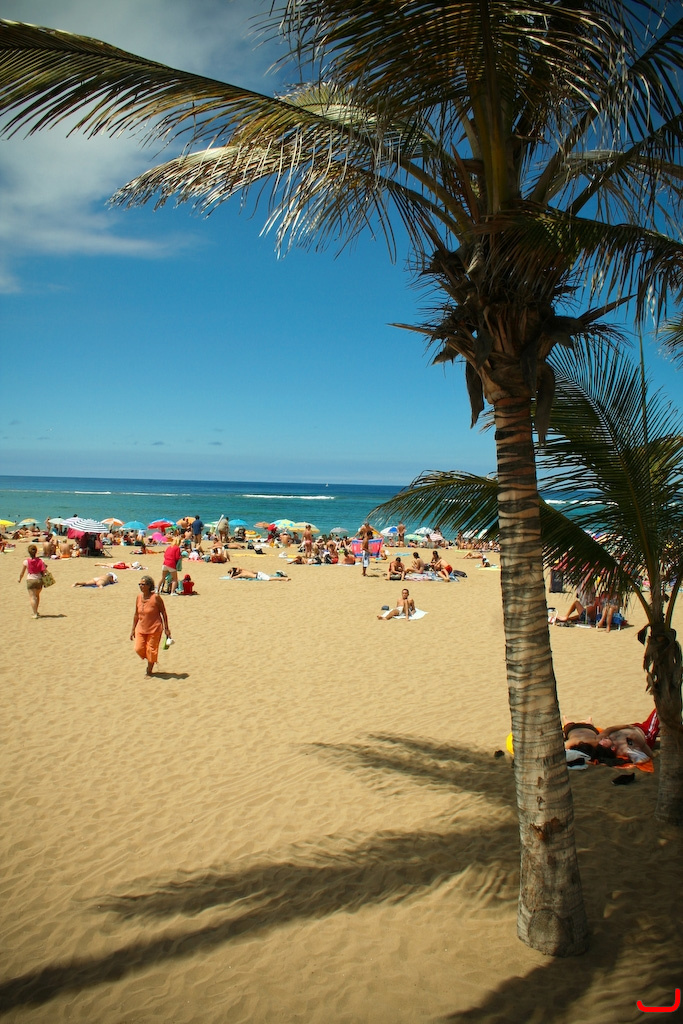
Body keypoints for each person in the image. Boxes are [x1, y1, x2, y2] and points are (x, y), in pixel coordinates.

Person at [130, 575, 171, 677]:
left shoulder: (156, 598)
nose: (141, 586)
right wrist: (133, 629)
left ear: (149, 586)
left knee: (151, 650)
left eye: (143, 584)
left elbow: (164, 613)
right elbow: (136, 614)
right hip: (141, 628)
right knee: (138, 648)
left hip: (155, 628)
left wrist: (166, 628)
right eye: (139, 584)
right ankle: (150, 659)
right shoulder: (138, 597)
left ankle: (149, 670)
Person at [17, 543, 47, 617]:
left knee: (32, 597)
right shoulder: (41, 560)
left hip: (30, 580)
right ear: (36, 552)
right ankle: (36, 610)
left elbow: (22, 573)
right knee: (37, 596)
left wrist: (19, 579)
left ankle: (35, 613)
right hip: (39, 580)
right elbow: (44, 571)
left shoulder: (26, 562)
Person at [223, 566, 290, 580]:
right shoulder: (242, 570)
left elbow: (231, 578)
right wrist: (233, 570)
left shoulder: (241, 574)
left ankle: (284, 579)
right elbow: (237, 568)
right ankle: (279, 575)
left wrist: (232, 573)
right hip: (259, 573)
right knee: (270, 577)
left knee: (270, 579)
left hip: (258, 576)